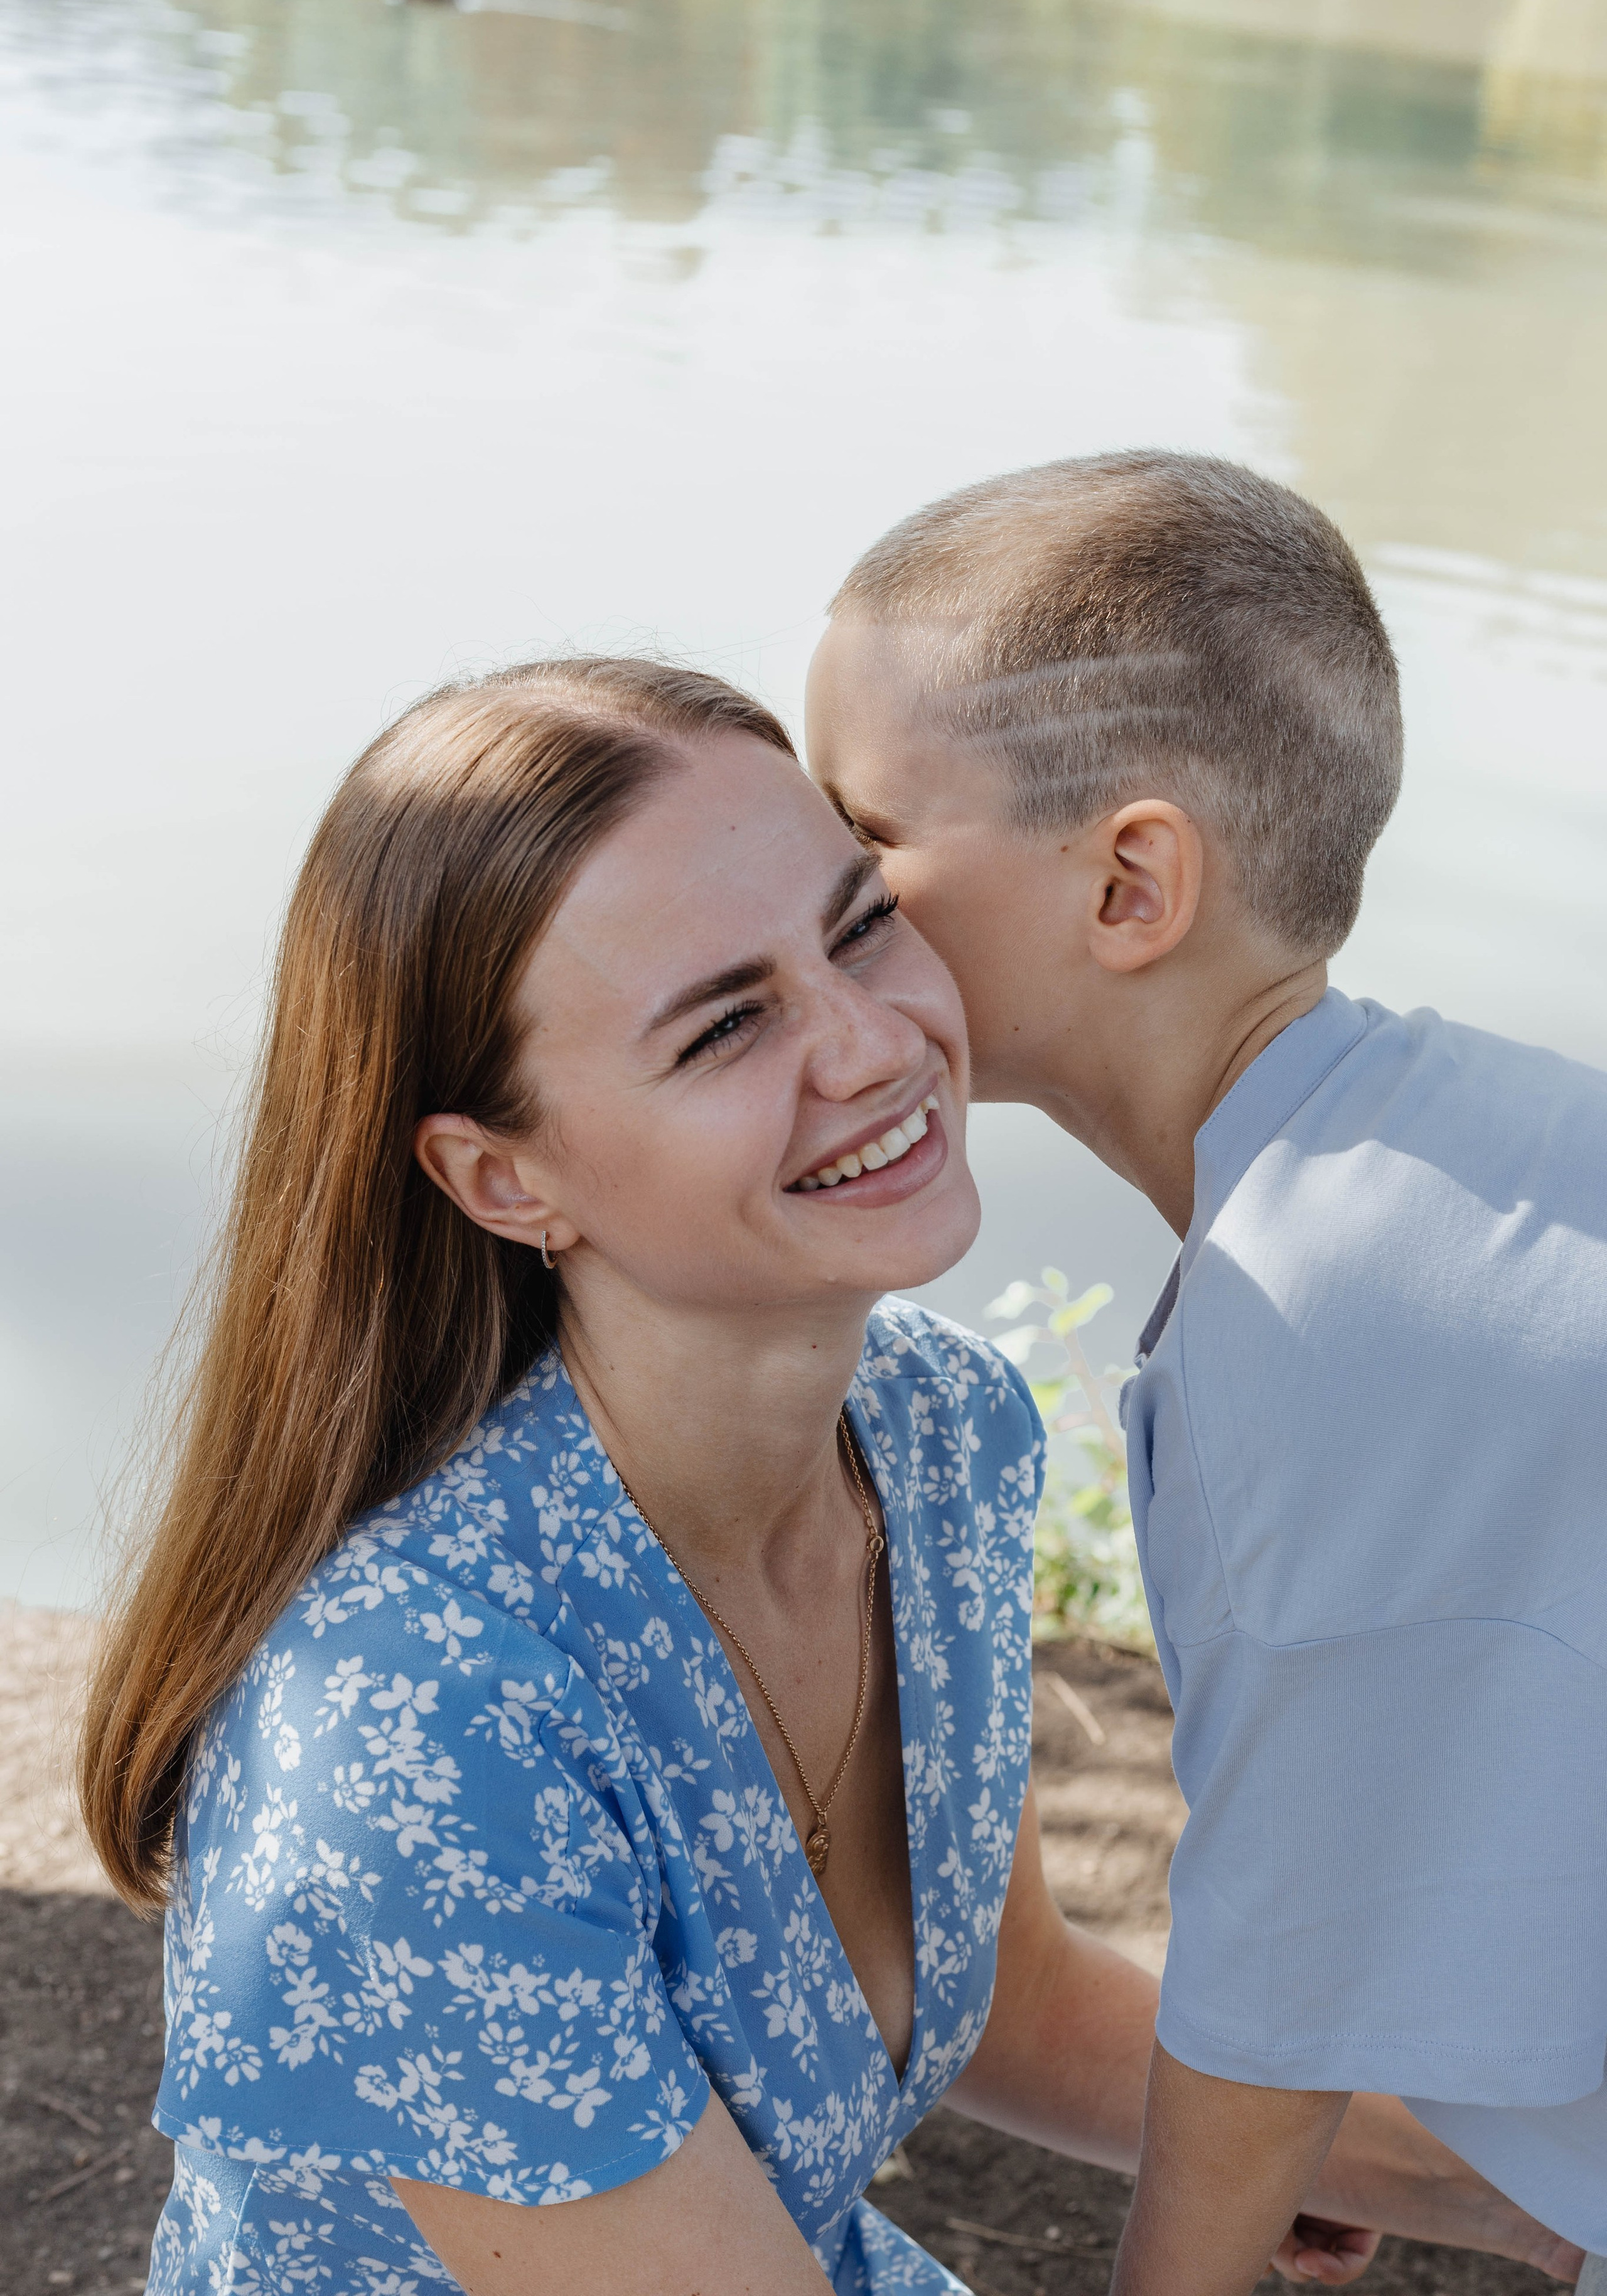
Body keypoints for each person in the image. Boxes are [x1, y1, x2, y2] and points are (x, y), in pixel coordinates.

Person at [83, 655, 1566, 2296]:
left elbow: (1008, 2002)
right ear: (504, 1178)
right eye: (726, 1024)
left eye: (862, 923)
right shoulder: (412, 1743)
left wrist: (1533, 2188)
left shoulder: (935, 1434)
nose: (873, 1044)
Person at [805, 451, 1607, 2296]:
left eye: (862, 845)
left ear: (1133, 881)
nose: (817, 898)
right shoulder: (1474, 1150)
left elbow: (1269, 1995)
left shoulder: (1305, 1321)